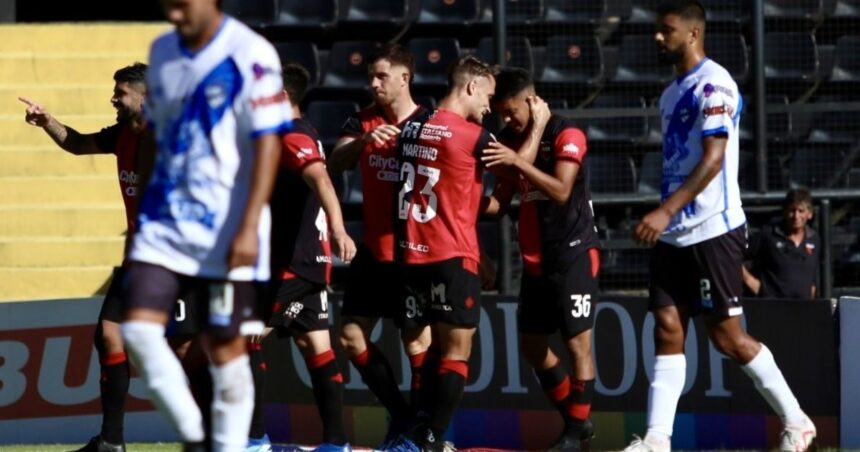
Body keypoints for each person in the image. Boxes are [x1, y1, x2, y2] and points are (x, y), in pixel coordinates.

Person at [625, 2, 816, 451]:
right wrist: (668, 218)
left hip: (713, 231)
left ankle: (797, 421)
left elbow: (713, 160)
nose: (657, 38)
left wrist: (665, 211)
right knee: (667, 326)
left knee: (727, 338)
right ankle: (657, 440)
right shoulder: (671, 94)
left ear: (693, 34)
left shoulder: (714, 84)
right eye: (656, 30)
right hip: (674, 237)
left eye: (666, 30)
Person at [119, 0, 291, 451]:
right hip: (167, 222)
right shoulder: (162, 52)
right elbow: (153, 135)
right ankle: (196, 438)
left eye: (182, 4)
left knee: (226, 352)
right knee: (136, 330)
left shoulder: (251, 53)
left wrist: (250, 225)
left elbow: (269, 144)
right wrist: (141, 220)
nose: (173, 13)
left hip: (229, 224)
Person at [20, 63, 154, 452]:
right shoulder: (122, 134)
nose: (113, 98)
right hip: (139, 259)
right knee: (109, 336)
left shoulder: (162, 136)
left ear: (145, 96)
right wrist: (48, 121)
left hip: (169, 259)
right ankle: (112, 441)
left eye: (121, 92)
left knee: (183, 350)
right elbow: (78, 143)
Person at [481, 67, 599, 451]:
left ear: (531, 100)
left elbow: (562, 191)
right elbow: (500, 201)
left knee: (578, 345)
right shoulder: (510, 139)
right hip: (534, 259)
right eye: (500, 112)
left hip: (573, 252)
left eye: (511, 110)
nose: (506, 118)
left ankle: (572, 434)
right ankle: (577, 422)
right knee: (532, 346)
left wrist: (518, 164)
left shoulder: (567, 132)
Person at [247, 63, 357, 452]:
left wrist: (341, 229)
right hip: (310, 262)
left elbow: (321, 179)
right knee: (318, 348)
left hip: (292, 266)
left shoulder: (292, 137)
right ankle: (336, 442)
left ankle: (254, 438)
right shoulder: (301, 132)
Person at [389, 55, 497, 451]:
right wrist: (536, 128)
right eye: (488, 96)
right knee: (455, 351)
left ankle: (417, 431)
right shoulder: (471, 136)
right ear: (471, 87)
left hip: (411, 254)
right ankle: (433, 439)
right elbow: (516, 170)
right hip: (451, 255)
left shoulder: (411, 126)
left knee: (425, 348)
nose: (489, 107)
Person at [328, 43, 432, 446]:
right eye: (370, 76)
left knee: (416, 340)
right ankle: (403, 415)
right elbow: (336, 162)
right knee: (351, 336)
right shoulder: (363, 121)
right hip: (374, 252)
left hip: (415, 252)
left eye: (381, 76)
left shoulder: (430, 123)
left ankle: (422, 429)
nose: (373, 84)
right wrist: (365, 144)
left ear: (405, 77)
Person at [743, 188, 820, 299]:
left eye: (801, 211)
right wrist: (750, 281)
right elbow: (736, 253)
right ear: (784, 212)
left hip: (803, 310)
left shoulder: (814, 239)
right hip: (772, 308)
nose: (796, 216)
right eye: (791, 210)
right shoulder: (768, 234)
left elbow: (813, 276)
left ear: (810, 214)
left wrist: (811, 294)